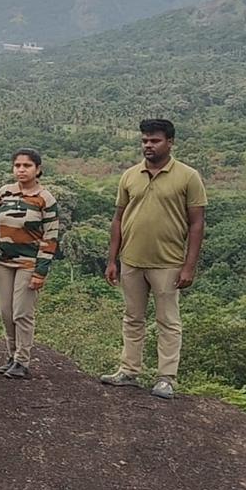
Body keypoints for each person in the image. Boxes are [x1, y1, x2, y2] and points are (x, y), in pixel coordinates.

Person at [100, 119, 206, 400]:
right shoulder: (130, 175)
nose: (148, 145)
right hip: (132, 260)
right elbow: (118, 218)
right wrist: (112, 260)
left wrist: (189, 266)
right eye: (145, 140)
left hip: (168, 262)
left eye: (155, 140)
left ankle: (165, 378)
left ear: (170, 142)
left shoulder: (188, 176)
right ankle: (128, 370)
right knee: (132, 318)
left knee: (168, 321)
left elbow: (197, 224)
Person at [0, 149, 59, 380]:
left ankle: (22, 360)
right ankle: (11, 355)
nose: (21, 170)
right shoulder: (4, 193)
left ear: (38, 169)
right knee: (6, 312)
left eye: (27, 166)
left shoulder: (45, 198)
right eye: (17, 165)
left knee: (22, 313)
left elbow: (50, 237)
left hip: (29, 263)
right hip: (4, 261)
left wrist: (40, 272)